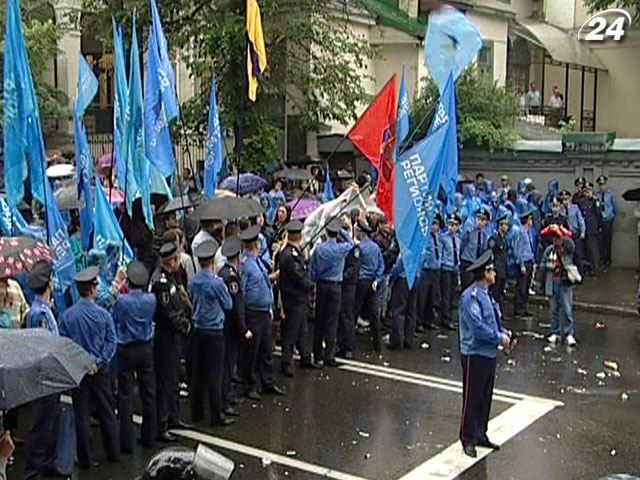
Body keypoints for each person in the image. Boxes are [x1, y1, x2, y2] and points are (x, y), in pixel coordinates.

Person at [60, 266, 120, 469]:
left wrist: (83, 363)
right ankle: (113, 452)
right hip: (100, 371)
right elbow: (112, 342)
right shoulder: (103, 315)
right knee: (107, 411)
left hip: (79, 372)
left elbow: (65, 345)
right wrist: (98, 361)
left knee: (82, 415)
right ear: (93, 289)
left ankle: (85, 458)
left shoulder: (68, 317)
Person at [458, 251, 512, 458]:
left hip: (488, 353)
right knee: (472, 397)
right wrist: (499, 338)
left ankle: (480, 433)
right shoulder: (470, 297)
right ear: (484, 273)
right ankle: (467, 437)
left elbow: (493, 322)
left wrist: (504, 333)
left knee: (485, 396)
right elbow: (478, 327)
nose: (495, 274)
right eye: (491, 270)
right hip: (475, 352)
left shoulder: (487, 296)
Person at [112, 261, 158, 453]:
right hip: (146, 347)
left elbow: (116, 317)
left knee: (126, 395)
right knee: (149, 393)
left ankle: (127, 442)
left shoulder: (123, 301)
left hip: (127, 348)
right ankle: (149, 436)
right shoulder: (151, 299)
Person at [23, 261, 63, 479]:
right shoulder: (38, 313)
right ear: (48, 283)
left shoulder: (46, 308)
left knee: (52, 420)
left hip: (52, 373)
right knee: (41, 424)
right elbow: (41, 346)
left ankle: (49, 462)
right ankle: (33, 470)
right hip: (44, 375)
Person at [189, 240, 234, 426]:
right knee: (215, 374)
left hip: (198, 329)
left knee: (198, 373)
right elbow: (228, 304)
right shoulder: (217, 283)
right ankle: (216, 415)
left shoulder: (193, 281)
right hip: (214, 331)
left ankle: (197, 411)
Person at [150, 243, 192, 442]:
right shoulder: (161, 282)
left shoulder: (172, 278)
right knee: (166, 380)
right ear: (171, 261)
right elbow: (168, 313)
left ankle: (174, 416)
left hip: (174, 335)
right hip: (165, 336)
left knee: (174, 377)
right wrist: (184, 325)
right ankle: (162, 423)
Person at [240, 225, 285, 400]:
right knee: (252, 351)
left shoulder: (257, 261)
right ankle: (249, 384)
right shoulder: (245, 264)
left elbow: (263, 280)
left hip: (264, 312)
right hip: (253, 313)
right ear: (256, 245)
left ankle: (267, 381)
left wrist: (268, 308)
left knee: (266, 349)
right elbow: (243, 291)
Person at [309, 219, 354, 367]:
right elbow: (352, 243)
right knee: (332, 322)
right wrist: (342, 230)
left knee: (319, 320)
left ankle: (317, 355)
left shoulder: (319, 249)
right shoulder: (341, 248)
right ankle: (329, 355)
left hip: (322, 285)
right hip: (336, 287)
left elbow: (313, 269)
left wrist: (313, 283)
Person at [278, 220, 317, 376]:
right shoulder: (290, 255)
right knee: (291, 332)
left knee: (302, 329)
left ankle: (305, 356)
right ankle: (286, 363)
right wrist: (311, 286)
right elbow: (299, 276)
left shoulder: (292, 252)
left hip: (298, 298)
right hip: (294, 298)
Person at [218, 236, 250, 416]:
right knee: (228, 365)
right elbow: (236, 306)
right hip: (231, 328)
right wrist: (243, 328)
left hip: (225, 326)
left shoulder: (222, 272)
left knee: (228, 364)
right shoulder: (231, 278)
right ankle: (225, 400)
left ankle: (227, 394)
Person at [539, 227, 578, 347]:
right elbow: (542, 264)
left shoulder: (566, 250)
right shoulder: (549, 250)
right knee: (553, 310)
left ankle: (568, 333)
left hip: (564, 283)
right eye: (554, 238)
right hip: (552, 282)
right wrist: (548, 266)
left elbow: (571, 244)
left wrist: (561, 231)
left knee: (567, 309)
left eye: (558, 238)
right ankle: (555, 332)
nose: (556, 240)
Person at [352, 219, 385, 352]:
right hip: (373, 282)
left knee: (353, 311)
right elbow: (381, 265)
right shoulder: (375, 247)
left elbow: (355, 266)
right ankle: (377, 344)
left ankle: (350, 343)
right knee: (374, 314)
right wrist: (377, 280)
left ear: (361, 233)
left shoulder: (359, 248)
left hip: (361, 282)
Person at [338, 217, 361, 359]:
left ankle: (348, 347)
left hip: (348, 285)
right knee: (340, 316)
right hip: (342, 284)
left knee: (347, 315)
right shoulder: (342, 246)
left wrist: (342, 276)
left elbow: (353, 268)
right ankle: (341, 344)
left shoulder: (353, 247)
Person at [417, 215, 443, 331]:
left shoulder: (438, 237)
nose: (434, 227)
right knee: (422, 298)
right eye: (433, 224)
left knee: (432, 298)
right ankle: (419, 322)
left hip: (435, 270)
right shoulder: (424, 237)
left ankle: (429, 320)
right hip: (425, 271)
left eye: (436, 224)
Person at [439, 213, 461, 331]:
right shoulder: (443, 238)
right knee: (446, 295)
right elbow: (441, 253)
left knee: (453, 295)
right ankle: (445, 319)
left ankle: (450, 317)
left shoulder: (458, 239)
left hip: (454, 268)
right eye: (450, 224)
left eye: (454, 225)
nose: (451, 227)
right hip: (446, 268)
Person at [460, 208, 490, 291]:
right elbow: (462, 244)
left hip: (477, 263)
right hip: (467, 261)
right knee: (467, 287)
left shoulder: (484, 234)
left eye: (483, 220)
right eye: (478, 219)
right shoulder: (470, 230)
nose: (480, 222)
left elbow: (484, 249)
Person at [514, 209, 536, 319]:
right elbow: (517, 249)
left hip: (530, 261)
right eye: (530, 219)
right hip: (523, 262)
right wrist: (521, 264)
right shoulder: (520, 232)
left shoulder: (529, 232)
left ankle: (524, 307)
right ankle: (519, 309)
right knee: (521, 287)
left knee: (526, 287)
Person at [488, 213, 509, 319]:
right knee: (494, 293)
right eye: (505, 225)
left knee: (500, 293)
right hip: (496, 269)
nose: (507, 227)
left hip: (503, 270)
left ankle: (499, 313)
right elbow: (490, 254)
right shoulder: (494, 239)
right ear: (500, 226)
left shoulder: (504, 239)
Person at [560, 189, 586, 273]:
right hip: (565, 235)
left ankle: (580, 273)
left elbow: (581, 220)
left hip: (575, 234)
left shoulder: (575, 208)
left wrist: (583, 232)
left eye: (566, 199)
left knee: (578, 254)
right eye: (563, 199)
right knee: (566, 255)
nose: (565, 201)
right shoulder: (561, 209)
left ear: (570, 199)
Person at [580, 182, 602, 276]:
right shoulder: (582, 201)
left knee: (592, 249)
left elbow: (598, 215)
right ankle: (586, 268)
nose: (587, 193)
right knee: (585, 250)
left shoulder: (595, 201)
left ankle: (594, 268)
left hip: (592, 228)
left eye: (589, 191)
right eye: (585, 191)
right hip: (584, 227)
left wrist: (598, 227)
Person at [596, 175, 616, 268]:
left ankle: (608, 259)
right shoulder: (597, 195)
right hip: (600, 220)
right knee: (601, 240)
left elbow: (614, 207)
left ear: (606, 184)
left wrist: (612, 216)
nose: (602, 187)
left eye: (603, 184)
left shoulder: (610, 195)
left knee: (608, 240)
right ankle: (602, 259)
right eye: (600, 185)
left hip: (608, 219)